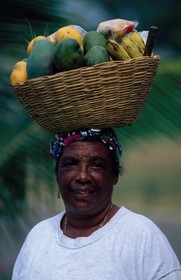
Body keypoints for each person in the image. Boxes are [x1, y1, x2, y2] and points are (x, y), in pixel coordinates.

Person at [12, 128, 181, 279]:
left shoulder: (141, 236)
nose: (83, 176)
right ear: (58, 176)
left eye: (96, 165)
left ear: (114, 175)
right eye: (70, 164)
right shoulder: (39, 237)